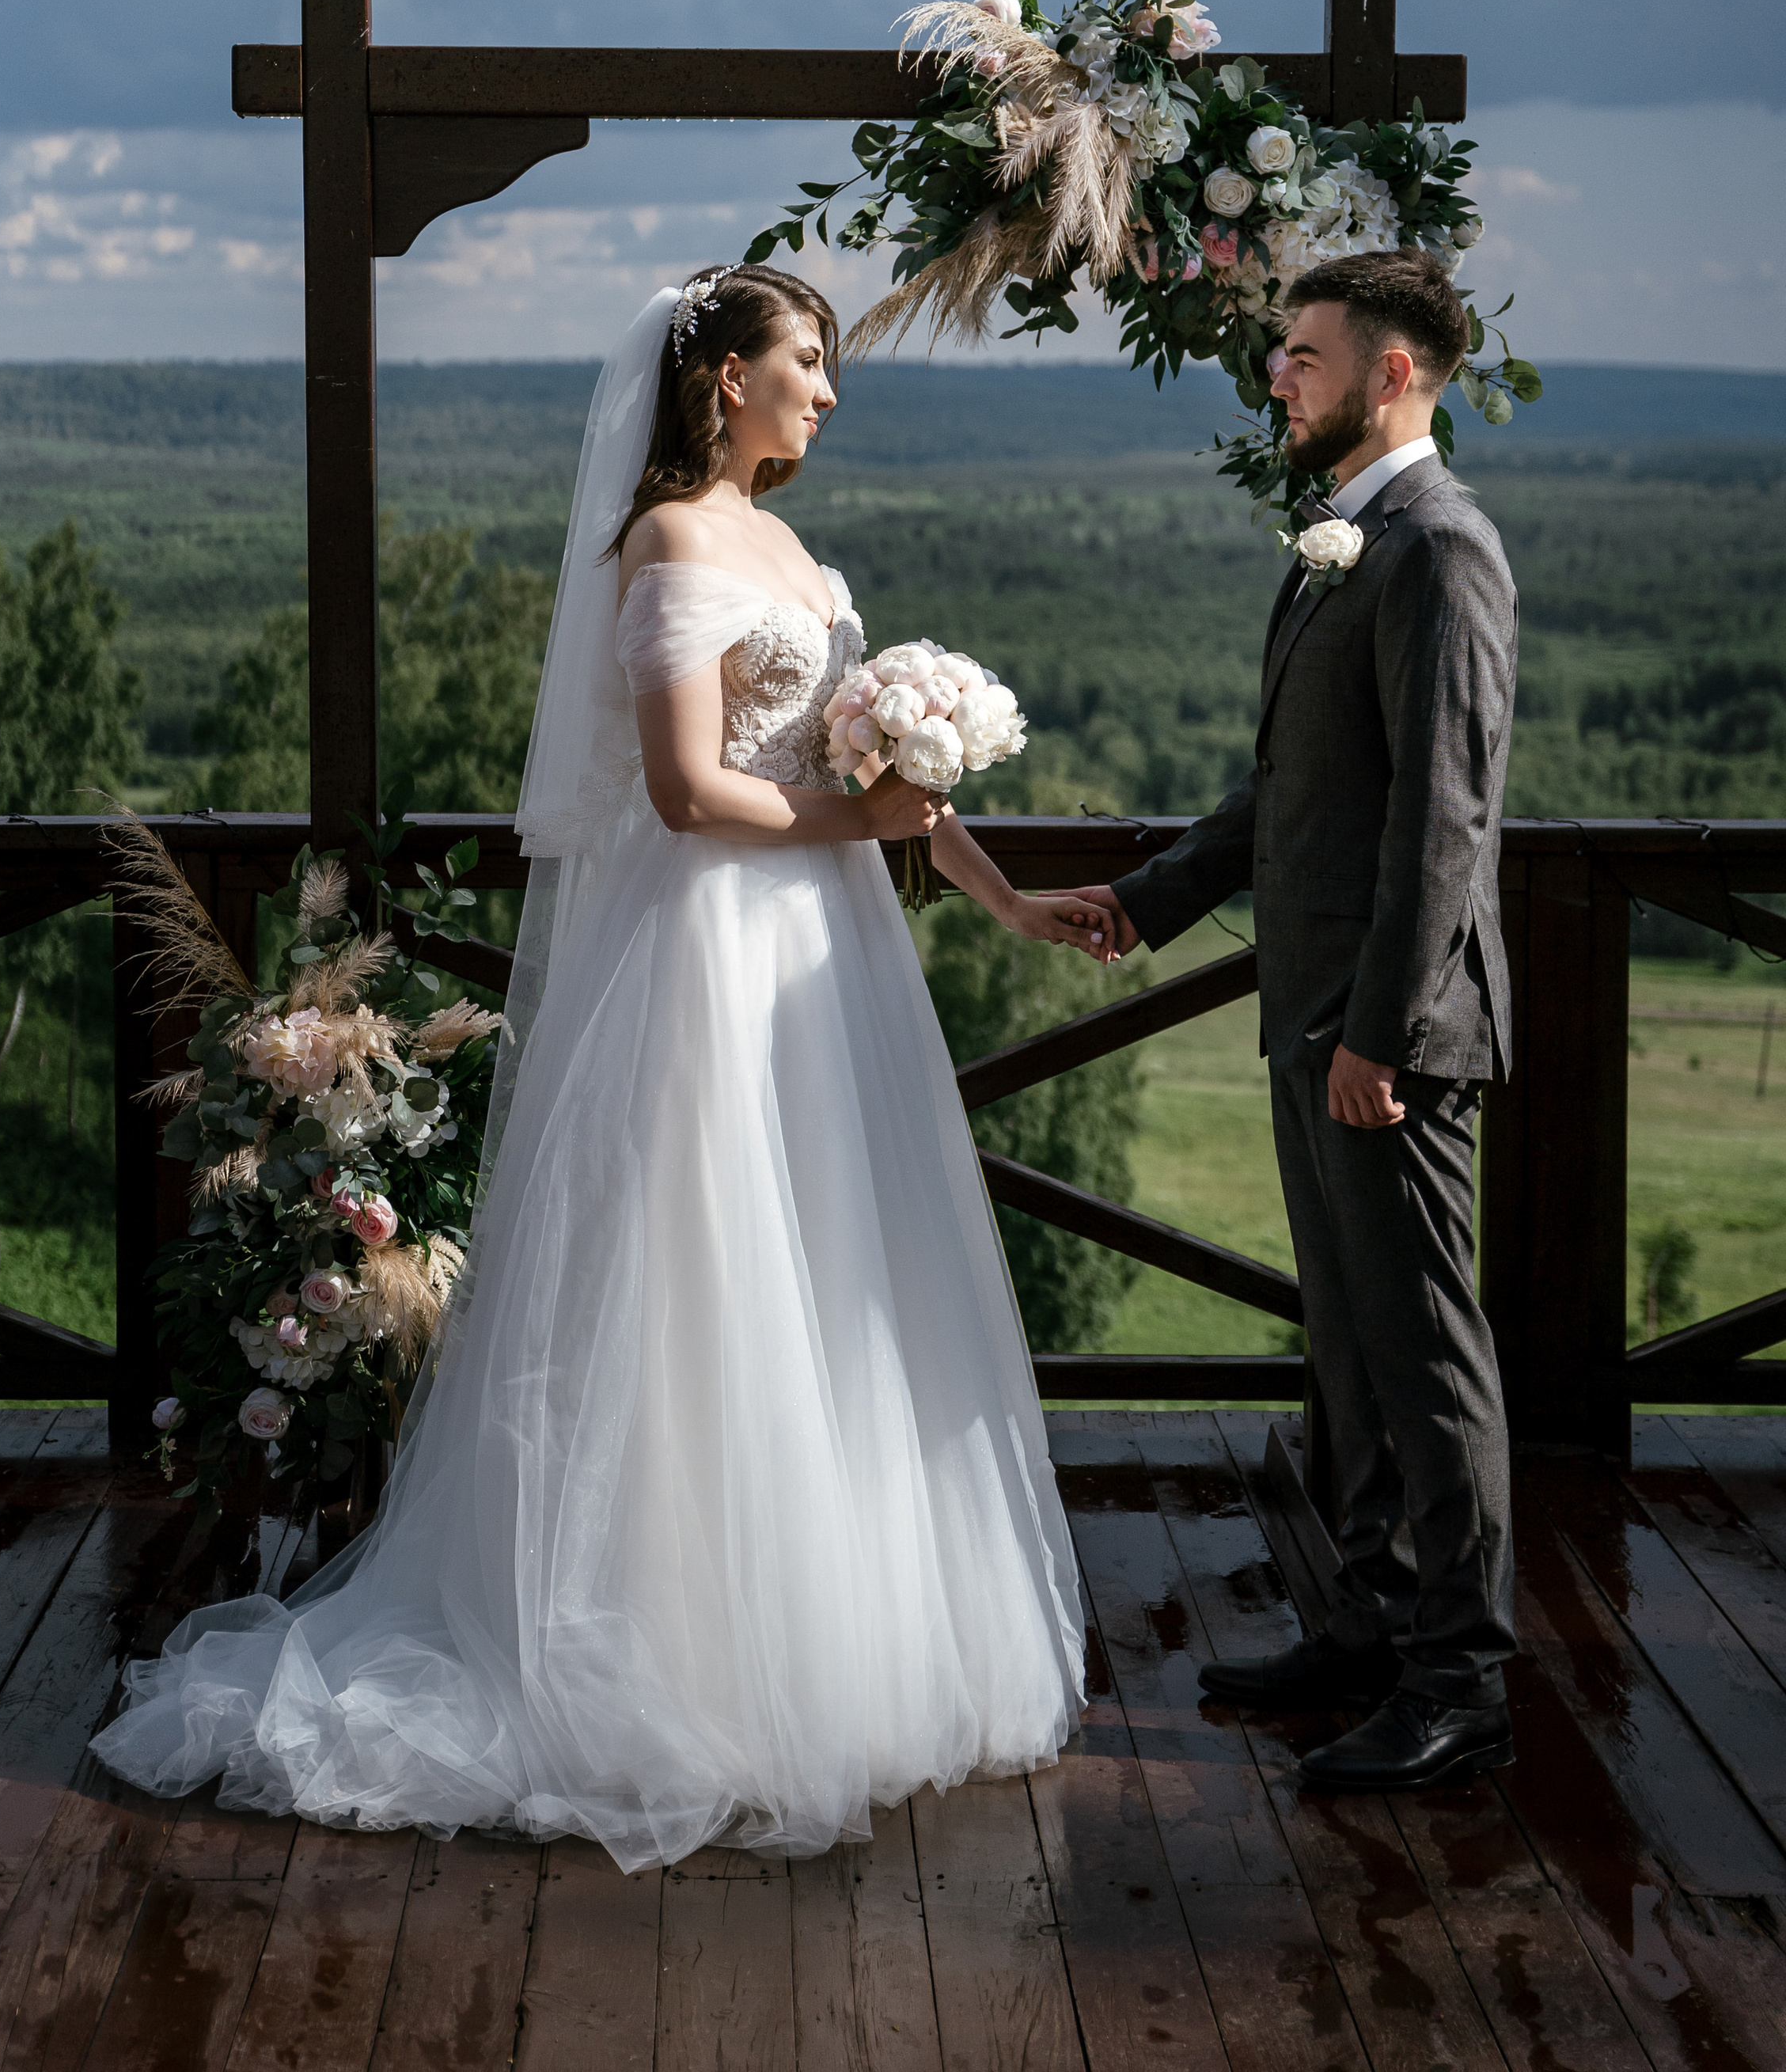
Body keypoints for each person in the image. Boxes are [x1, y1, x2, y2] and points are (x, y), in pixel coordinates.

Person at [91, 267, 1097, 1865]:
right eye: (806, 362)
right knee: (699, 1274)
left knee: (836, 1263)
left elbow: (879, 771)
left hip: (828, 963)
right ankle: (676, 1659)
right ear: (722, 383)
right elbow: (690, 792)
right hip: (709, 950)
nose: (827, 390)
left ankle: (830, 1638)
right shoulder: (674, 544)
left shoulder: (788, 548)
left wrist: (1004, 895)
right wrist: (861, 825)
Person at [1071, 246, 1519, 1793]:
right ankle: (1366, 1626)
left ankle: (1460, 1683)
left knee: (1423, 1357)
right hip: (1310, 1010)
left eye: (1303, 354)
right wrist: (1149, 896)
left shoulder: (1436, 549)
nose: (1276, 374)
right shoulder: (1346, 535)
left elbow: (1443, 823)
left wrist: (1379, 1036)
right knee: (1343, 1347)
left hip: (1384, 1036)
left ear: (1391, 373)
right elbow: (1292, 784)